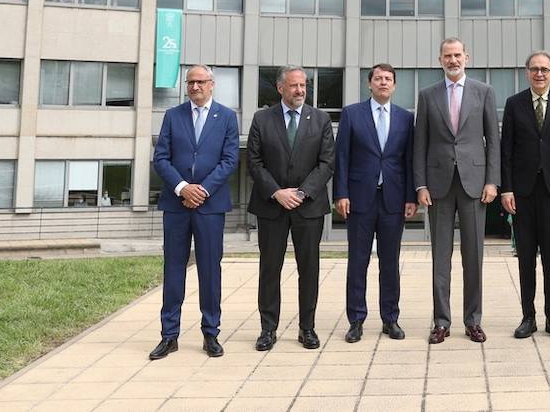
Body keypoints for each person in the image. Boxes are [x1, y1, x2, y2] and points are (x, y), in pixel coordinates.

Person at [149, 65, 241, 361]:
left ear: (212, 85)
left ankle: (210, 333)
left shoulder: (227, 117)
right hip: (176, 206)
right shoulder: (172, 116)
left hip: (210, 207)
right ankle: (169, 335)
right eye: (190, 82)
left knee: (210, 271)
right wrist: (182, 188)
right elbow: (160, 158)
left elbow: (229, 160)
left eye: (201, 82)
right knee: (174, 269)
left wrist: (201, 190)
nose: (195, 87)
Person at [414, 37, 500, 344]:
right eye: (447, 56)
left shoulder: (484, 92)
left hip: (474, 185)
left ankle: (473, 320)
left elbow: (493, 139)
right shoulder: (427, 96)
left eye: (458, 55)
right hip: (437, 186)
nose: (453, 60)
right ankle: (441, 321)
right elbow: (420, 143)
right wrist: (420, 184)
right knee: (441, 257)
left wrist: (492, 181)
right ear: (440, 60)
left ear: (467, 57)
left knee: (473, 255)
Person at [247, 65, 335, 351]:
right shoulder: (262, 119)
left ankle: (307, 328)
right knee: (269, 269)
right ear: (280, 88)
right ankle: (268, 329)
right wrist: (276, 192)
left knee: (308, 269)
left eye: (303, 86)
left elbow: (327, 163)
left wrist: (301, 192)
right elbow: (254, 162)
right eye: (294, 85)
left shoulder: (320, 119)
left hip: (308, 207)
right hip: (271, 207)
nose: (300, 90)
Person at [333, 63, 415, 343]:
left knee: (390, 263)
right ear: (369, 84)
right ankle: (356, 320)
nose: (383, 83)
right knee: (358, 261)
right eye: (378, 78)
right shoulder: (352, 114)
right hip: (359, 200)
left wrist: (411, 197)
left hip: (393, 199)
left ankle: (390, 318)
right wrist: (340, 194)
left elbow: (409, 160)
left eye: (388, 79)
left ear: (394, 85)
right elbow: (341, 156)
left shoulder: (405, 118)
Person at [500, 50, 550, 340]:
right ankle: (527, 317)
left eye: (545, 69)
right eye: (534, 69)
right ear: (527, 72)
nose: (540, 74)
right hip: (521, 194)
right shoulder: (514, 104)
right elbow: (505, 149)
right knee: (525, 258)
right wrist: (505, 188)